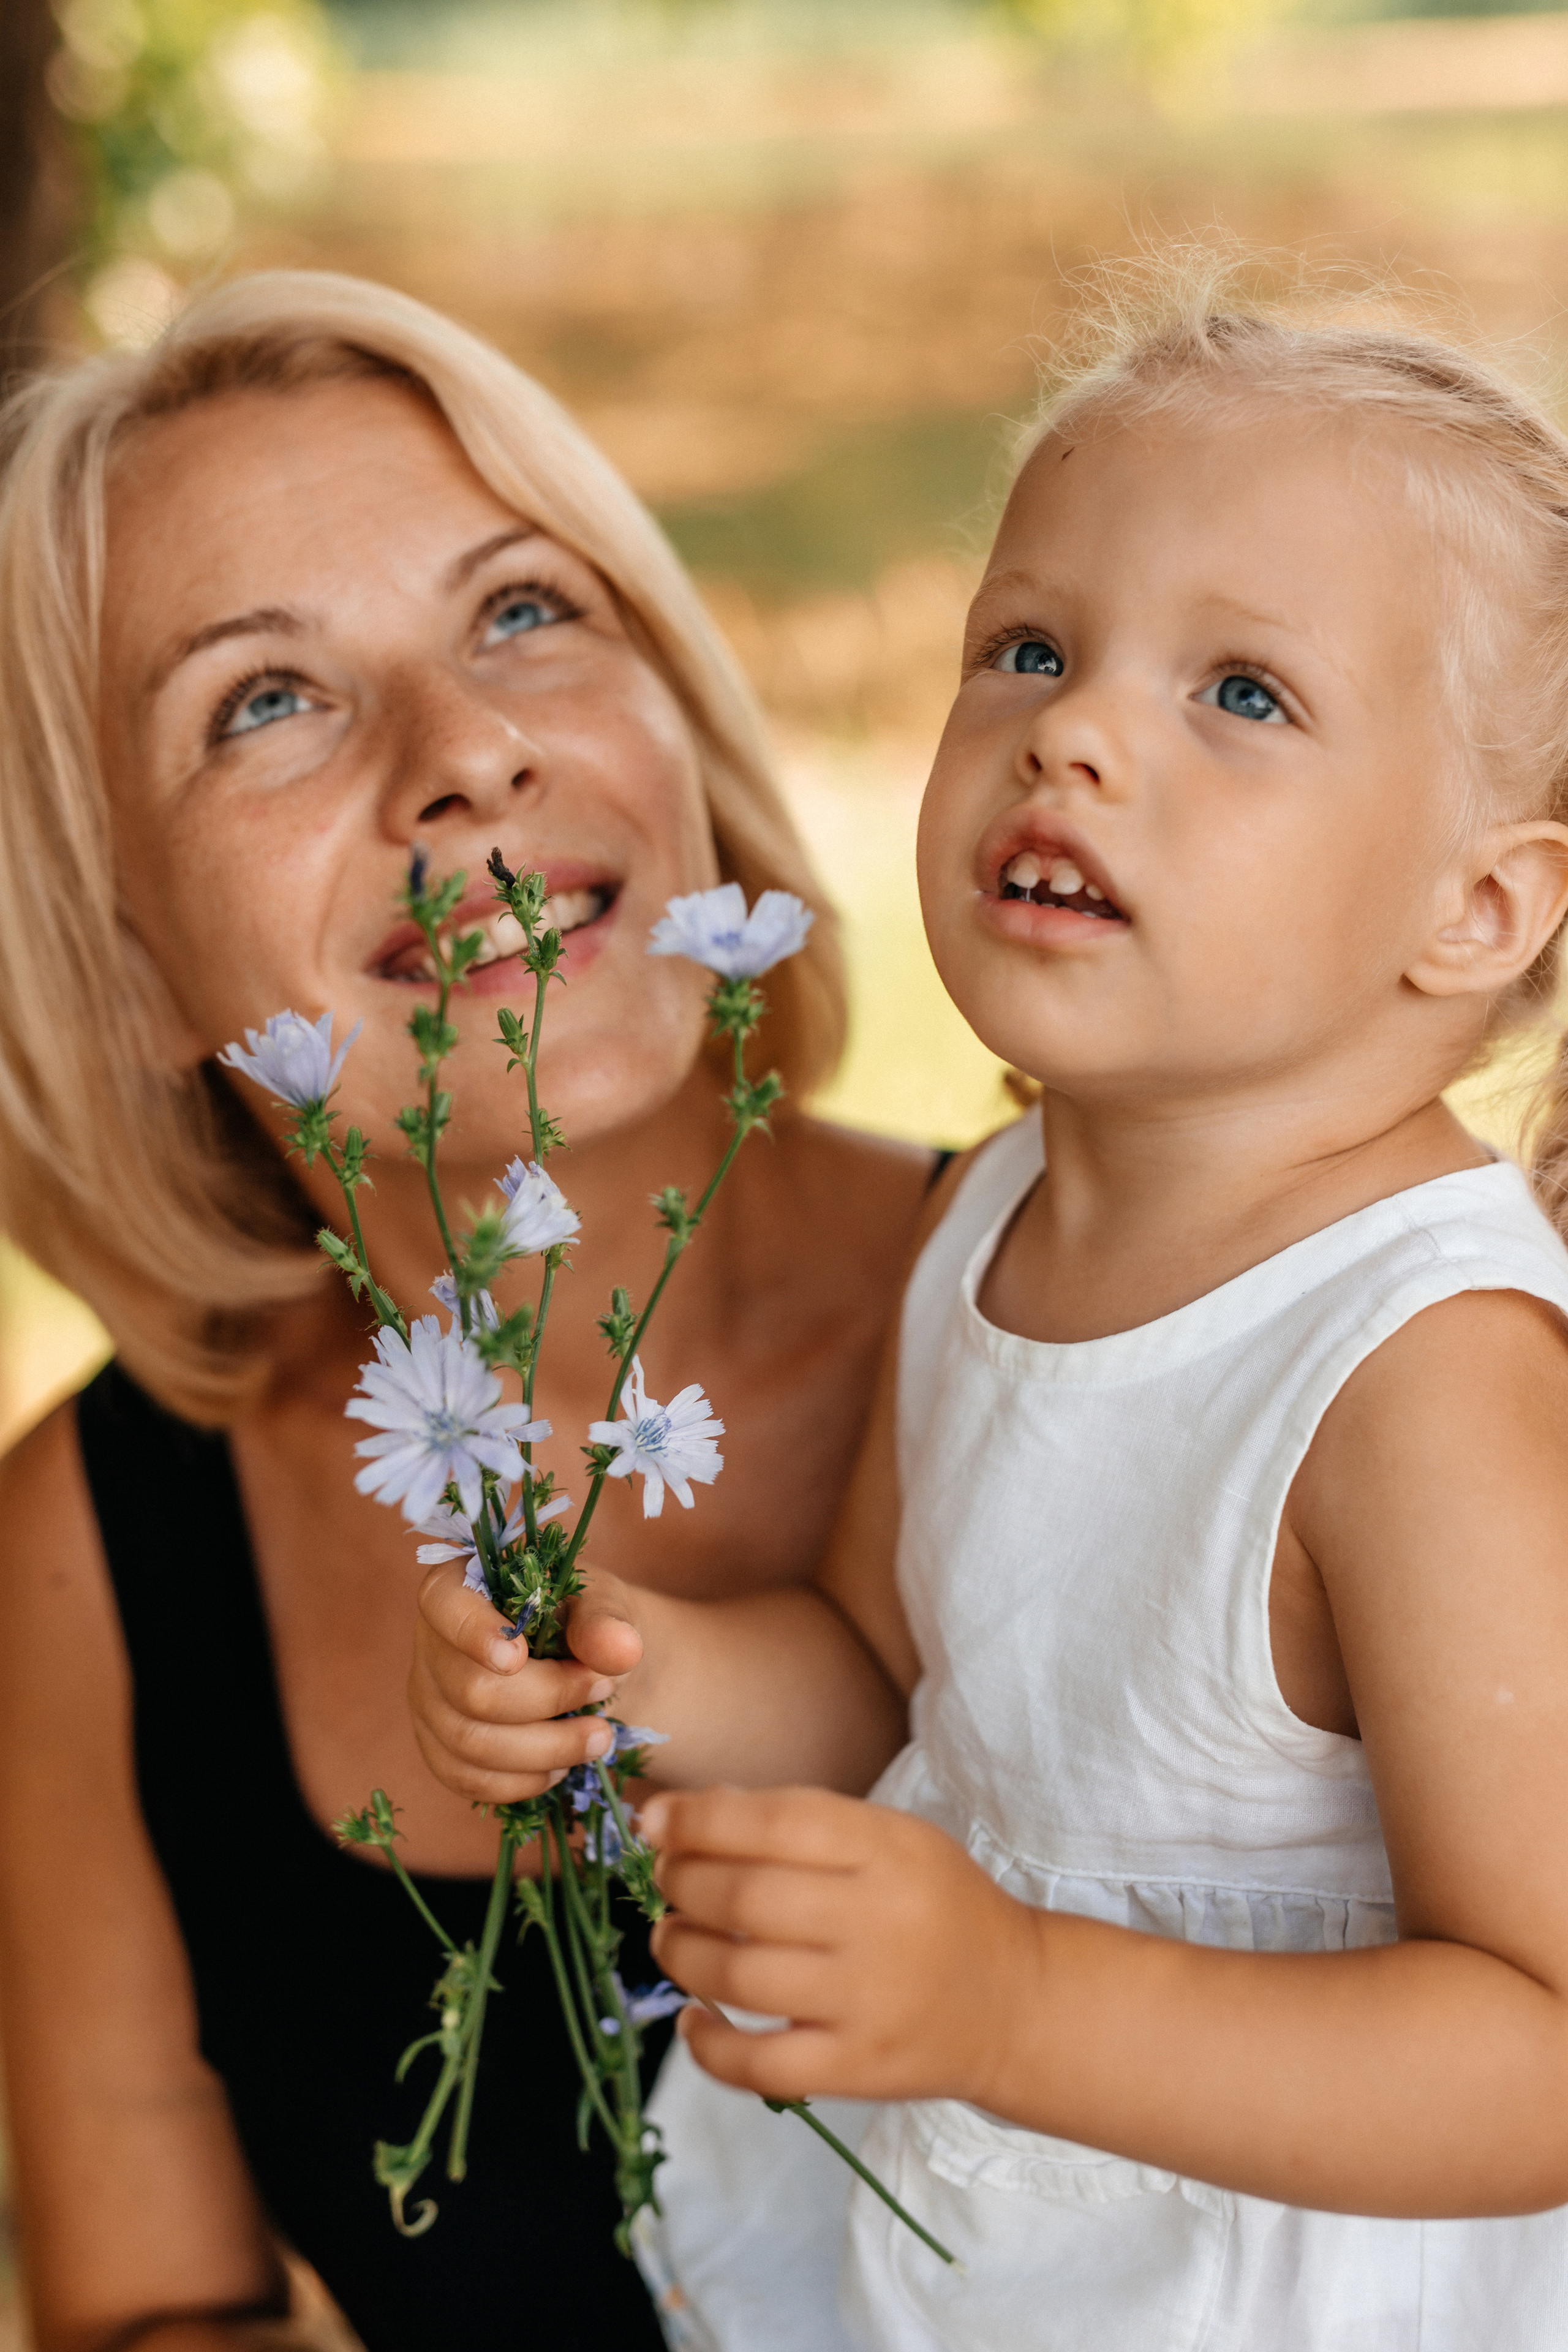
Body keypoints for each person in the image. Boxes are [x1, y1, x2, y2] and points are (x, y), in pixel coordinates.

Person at [412, 275, 1568, 2350]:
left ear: (1474, 908)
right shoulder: (1005, 1209)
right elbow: (886, 1671)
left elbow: (1545, 2047)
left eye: (1244, 694)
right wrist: (637, 1668)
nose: (1076, 727)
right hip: (1000, 2257)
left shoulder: (1424, 1377)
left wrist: (1020, 1996)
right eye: (1029, 645)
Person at [0, 270, 938, 2352]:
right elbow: (152, 2313)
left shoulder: (1137, 1308)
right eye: (265, 700)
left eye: (524, 611)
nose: (467, 758)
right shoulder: (88, 1547)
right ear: (127, 959)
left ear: (675, 715)